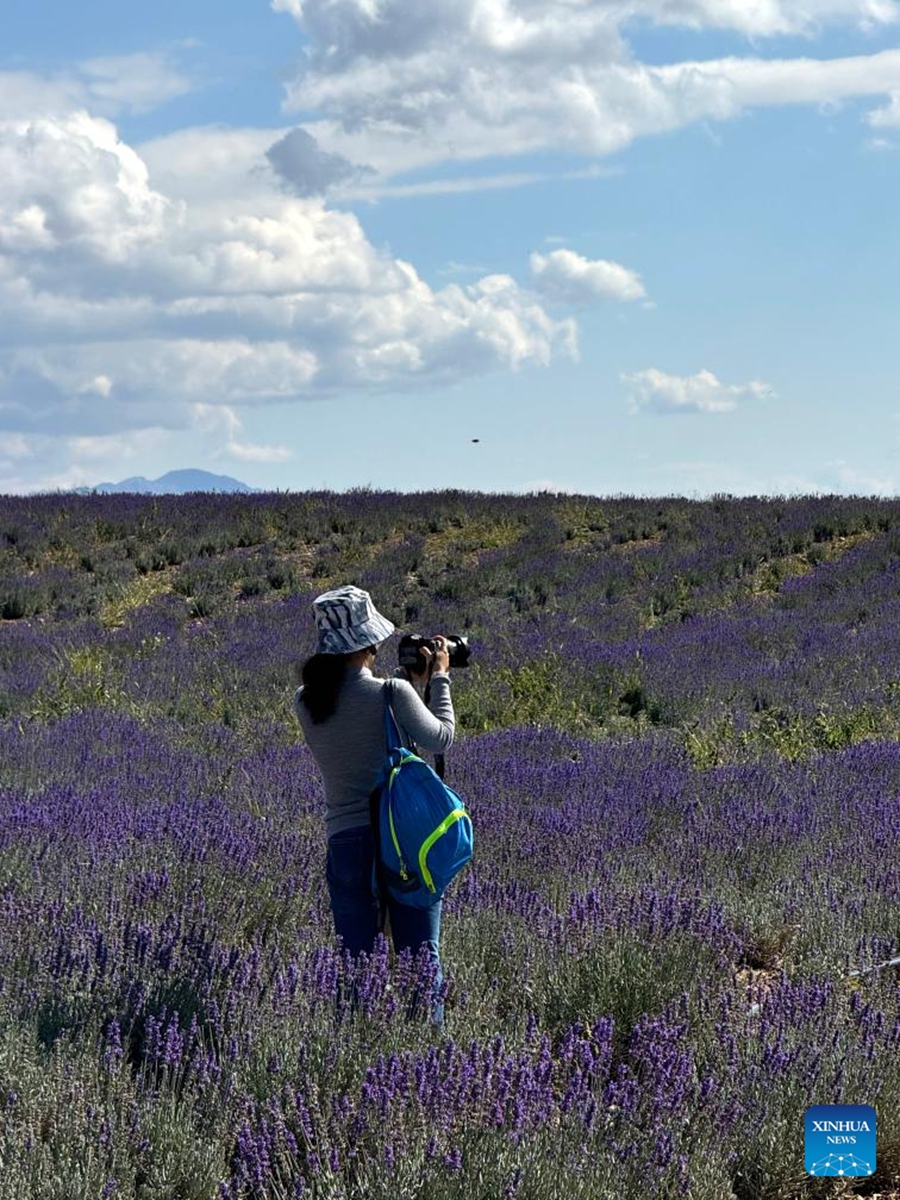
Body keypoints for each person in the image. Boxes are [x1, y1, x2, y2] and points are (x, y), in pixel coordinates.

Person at [294, 584, 455, 1022]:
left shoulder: (306, 703)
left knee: (357, 968)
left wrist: (409, 691)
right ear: (368, 641)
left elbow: (360, 741)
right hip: (401, 839)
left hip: (345, 841)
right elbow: (439, 737)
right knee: (421, 962)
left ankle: (358, 1049)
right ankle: (429, 1058)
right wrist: (438, 678)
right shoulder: (389, 693)